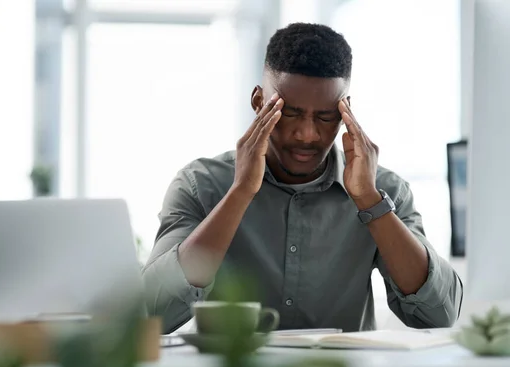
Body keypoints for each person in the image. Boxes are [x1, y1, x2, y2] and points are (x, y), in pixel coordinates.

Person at [142, 22, 462, 342]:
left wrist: (370, 201)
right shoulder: (201, 184)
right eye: (290, 113)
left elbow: (439, 314)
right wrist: (240, 193)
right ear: (258, 102)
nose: (307, 135)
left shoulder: (385, 191)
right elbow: (153, 313)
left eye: (325, 117)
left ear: (345, 111)